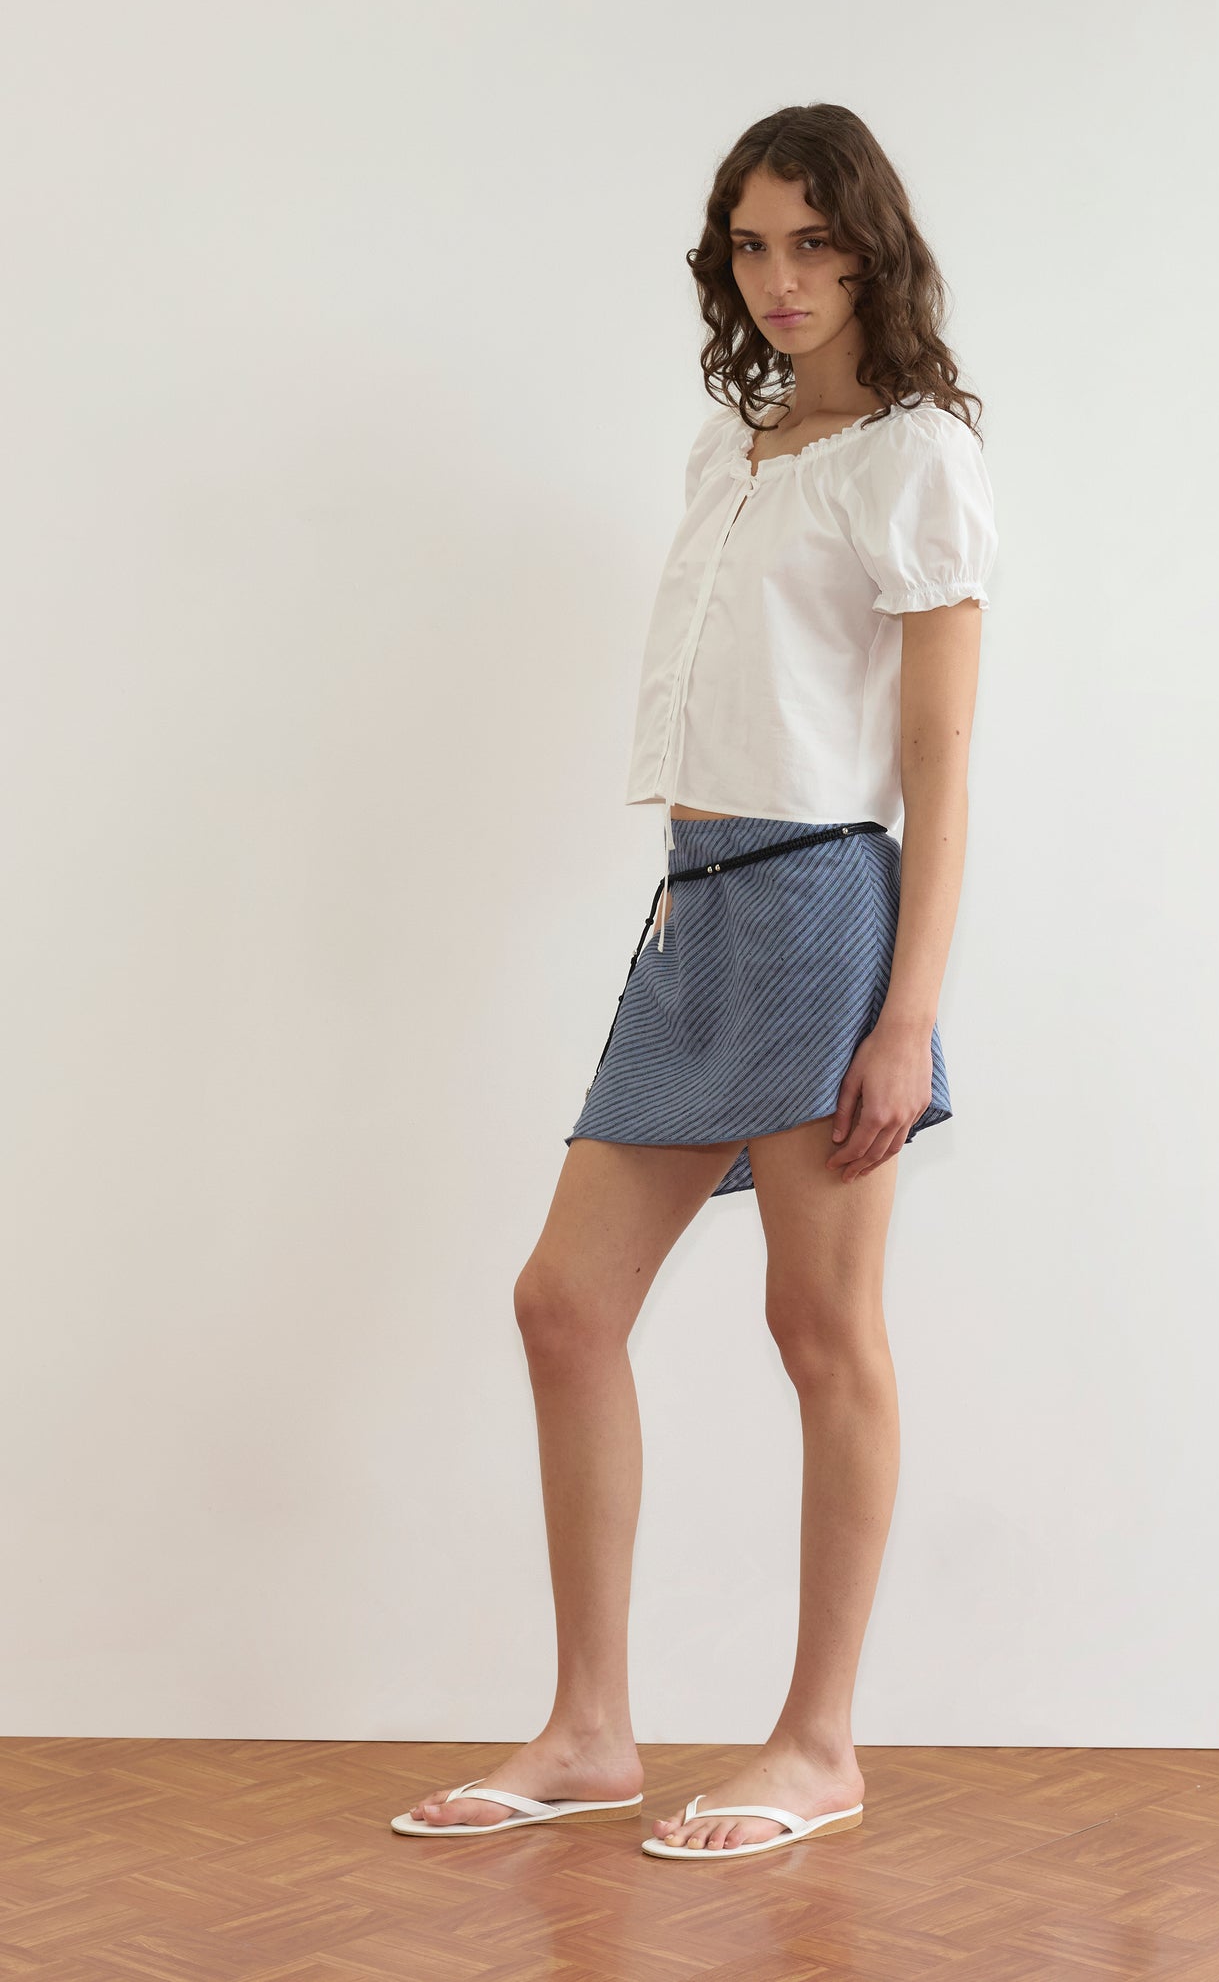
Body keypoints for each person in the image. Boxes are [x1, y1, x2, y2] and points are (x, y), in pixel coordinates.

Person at [392, 102, 998, 1860]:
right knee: (561, 1308)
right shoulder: (726, 454)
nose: (783, 276)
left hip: (821, 912)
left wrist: (903, 1013)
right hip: (693, 917)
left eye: (813, 240)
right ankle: (591, 1729)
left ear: (870, 244)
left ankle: (817, 1743)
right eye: (751, 243)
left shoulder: (917, 459)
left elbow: (942, 764)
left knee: (818, 1333)